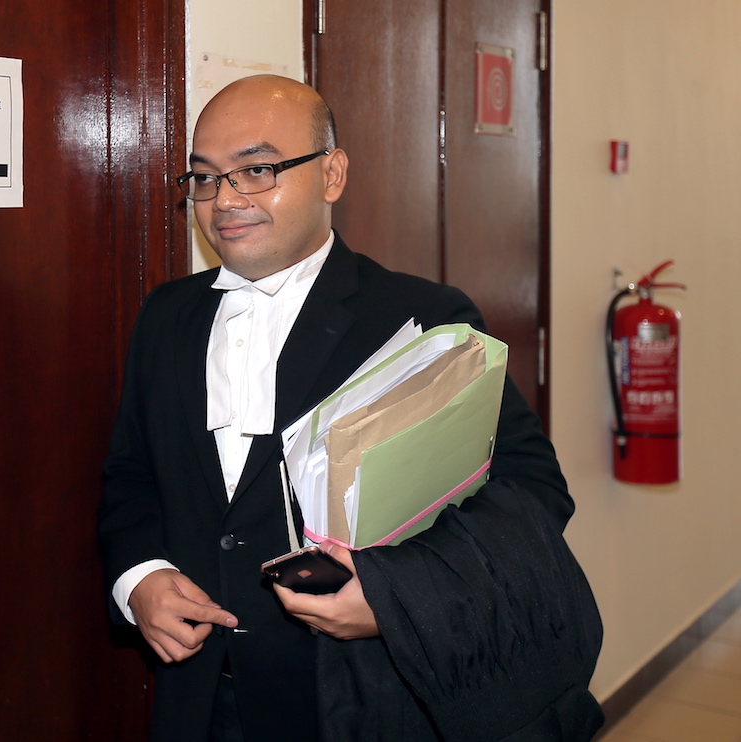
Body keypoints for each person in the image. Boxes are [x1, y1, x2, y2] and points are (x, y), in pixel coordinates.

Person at [98, 74, 603, 742]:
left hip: (358, 700)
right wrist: (139, 578)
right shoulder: (166, 316)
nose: (225, 200)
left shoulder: (419, 317)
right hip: (200, 698)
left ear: (332, 174)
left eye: (257, 170)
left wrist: (398, 599)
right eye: (205, 177)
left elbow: (532, 493)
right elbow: (131, 474)